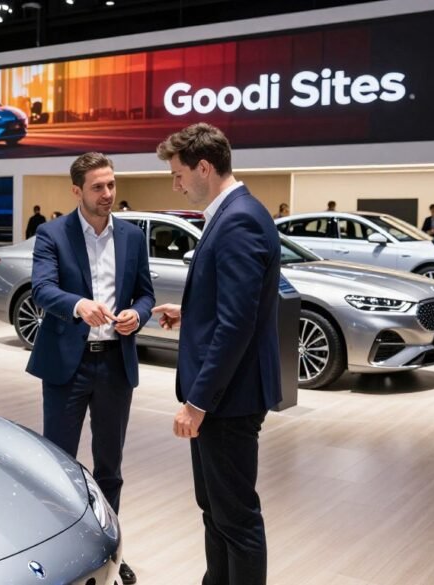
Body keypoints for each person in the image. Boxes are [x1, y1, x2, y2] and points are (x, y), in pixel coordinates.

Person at [152, 123, 281, 585]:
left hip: (228, 399)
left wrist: (197, 402)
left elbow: (237, 324)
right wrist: (189, 313)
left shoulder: (239, 219)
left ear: (204, 167)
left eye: (178, 174)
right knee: (215, 509)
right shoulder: (233, 213)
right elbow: (233, 305)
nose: (176, 184)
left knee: (236, 518)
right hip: (227, 396)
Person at [26, 152, 154, 585]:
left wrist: (139, 314)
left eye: (111, 184)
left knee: (109, 468)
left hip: (116, 364)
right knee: (58, 466)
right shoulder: (52, 233)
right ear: (76, 190)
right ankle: (59, 554)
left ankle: (109, 552)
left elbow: (145, 294)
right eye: (98, 187)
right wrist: (79, 305)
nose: (107, 194)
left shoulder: (132, 236)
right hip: (68, 365)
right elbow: (42, 289)